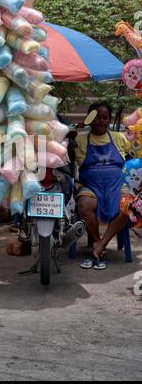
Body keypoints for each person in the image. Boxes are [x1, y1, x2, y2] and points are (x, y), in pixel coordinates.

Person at [75, 101, 131, 267]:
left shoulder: (119, 138)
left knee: (127, 204)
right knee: (84, 205)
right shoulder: (79, 140)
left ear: (110, 120)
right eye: (97, 117)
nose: (101, 121)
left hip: (117, 184)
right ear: (89, 119)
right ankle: (98, 242)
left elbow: (135, 151)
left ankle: (100, 244)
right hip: (91, 185)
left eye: (105, 118)